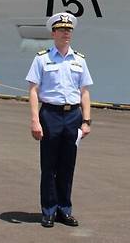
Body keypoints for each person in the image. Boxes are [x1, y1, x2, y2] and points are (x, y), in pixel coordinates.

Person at [26, 12, 93, 228]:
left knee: (67, 165)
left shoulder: (80, 60)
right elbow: (34, 91)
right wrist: (35, 120)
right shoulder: (42, 58)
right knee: (49, 165)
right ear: (53, 33)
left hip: (73, 116)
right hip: (50, 114)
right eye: (62, 30)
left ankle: (64, 209)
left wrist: (86, 121)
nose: (66, 33)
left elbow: (84, 92)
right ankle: (48, 210)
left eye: (69, 30)